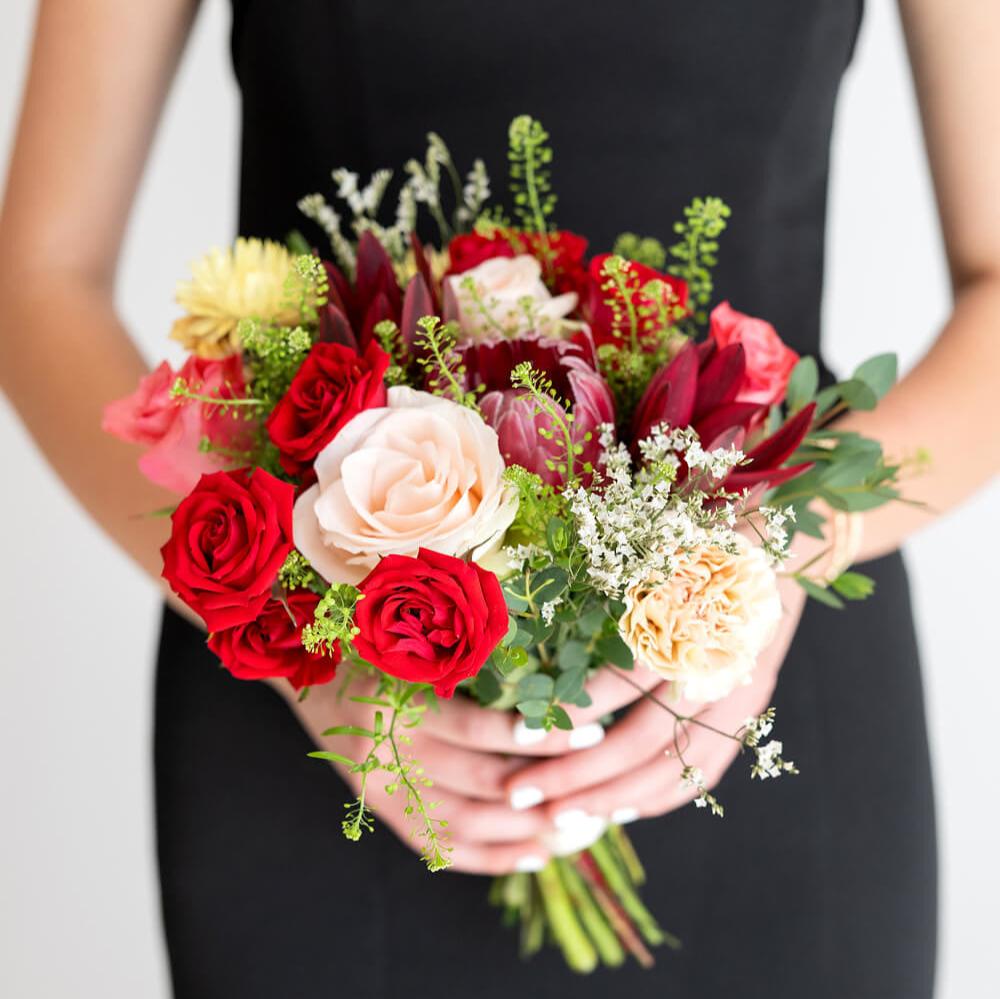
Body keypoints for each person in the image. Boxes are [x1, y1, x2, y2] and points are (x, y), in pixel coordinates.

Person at [1, 1, 998, 996]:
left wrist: (770, 557)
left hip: (762, 696)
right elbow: (42, 274)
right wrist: (295, 631)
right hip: (316, 709)